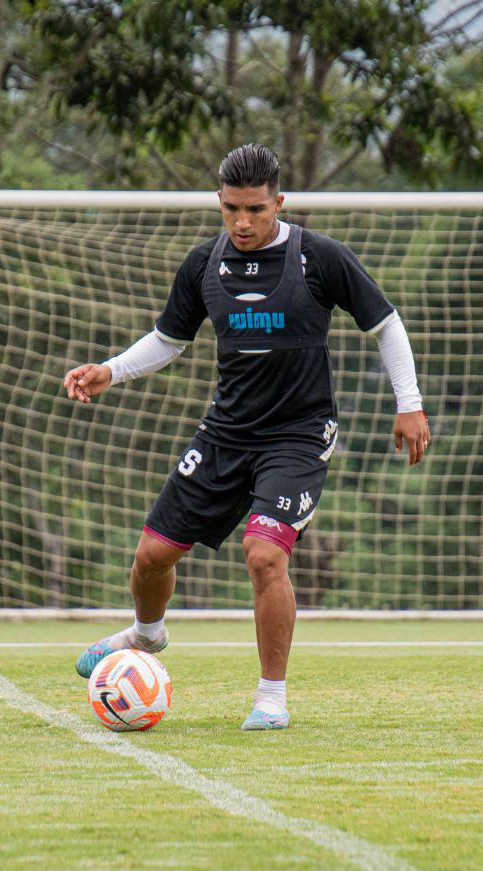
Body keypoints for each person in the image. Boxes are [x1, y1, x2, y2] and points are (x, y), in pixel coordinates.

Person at [62, 143, 429, 730]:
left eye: (256, 209)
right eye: (231, 209)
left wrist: (408, 405)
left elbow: (386, 325)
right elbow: (168, 339)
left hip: (299, 436)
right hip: (226, 434)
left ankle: (271, 698)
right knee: (151, 557)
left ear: (278, 202)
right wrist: (111, 369)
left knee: (263, 557)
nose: (243, 222)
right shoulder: (205, 264)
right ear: (219, 202)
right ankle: (147, 634)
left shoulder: (319, 258)